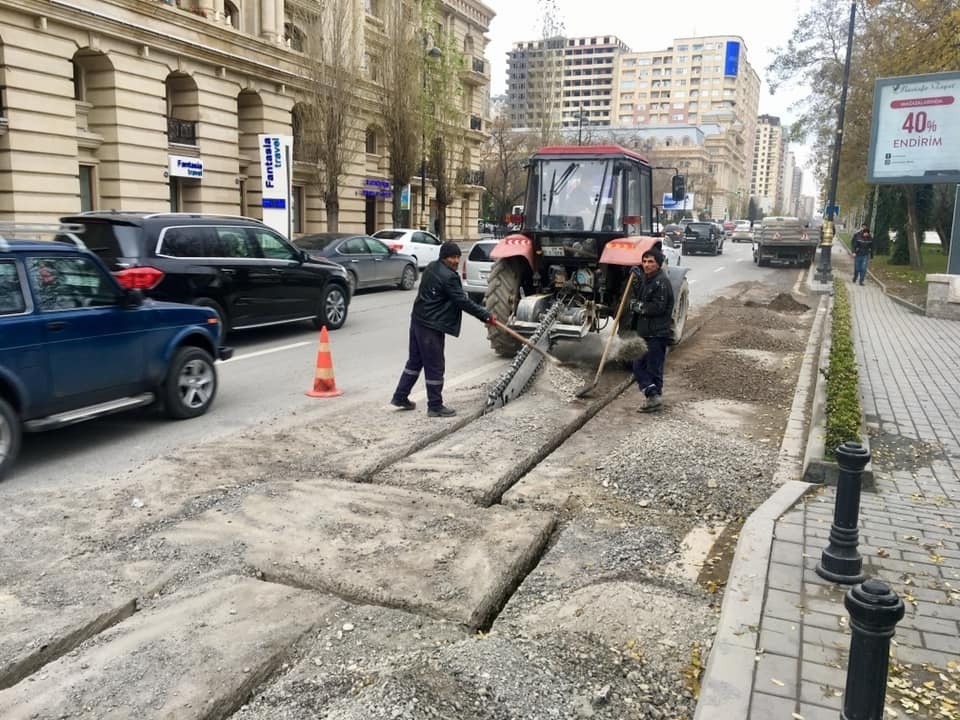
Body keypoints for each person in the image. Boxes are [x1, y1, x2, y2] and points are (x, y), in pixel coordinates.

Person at [391, 241, 495, 417]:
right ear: (444, 257)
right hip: (431, 325)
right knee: (435, 365)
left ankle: (400, 396)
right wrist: (485, 315)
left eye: (457, 257)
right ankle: (435, 406)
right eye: (452, 257)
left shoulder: (432, 267)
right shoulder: (449, 277)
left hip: (417, 320)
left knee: (415, 361)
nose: (455, 260)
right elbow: (462, 301)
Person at [629, 246, 675, 413]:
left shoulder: (661, 282)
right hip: (645, 332)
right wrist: (636, 279)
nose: (647, 264)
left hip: (657, 333)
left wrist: (636, 306)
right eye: (644, 261)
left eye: (651, 262)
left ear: (658, 264)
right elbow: (642, 293)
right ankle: (653, 395)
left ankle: (654, 399)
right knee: (638, 365)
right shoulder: (648, 279)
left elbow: (657, 308)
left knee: (654, 368)